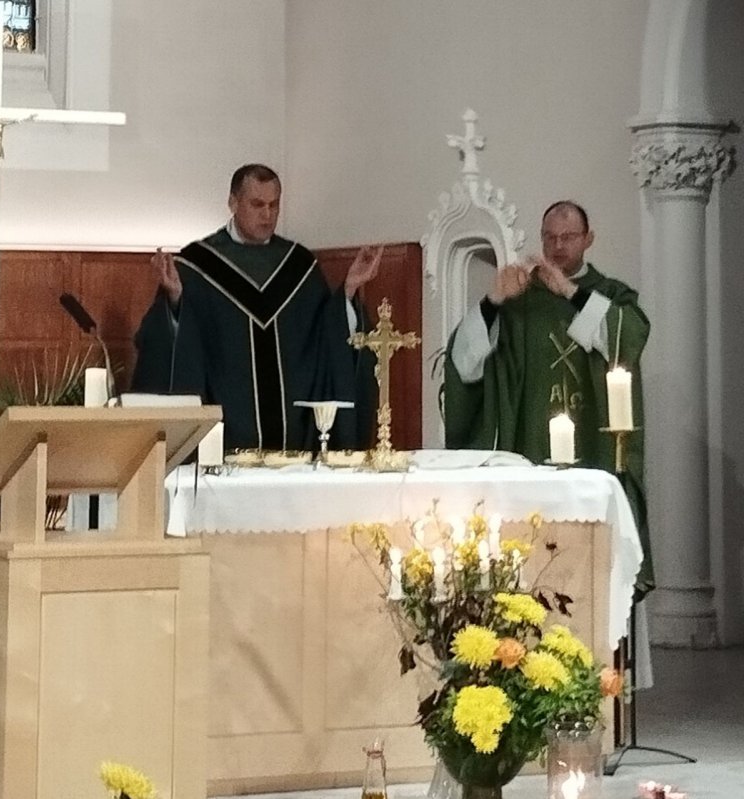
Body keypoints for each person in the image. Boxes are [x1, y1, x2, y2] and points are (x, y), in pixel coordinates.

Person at [443, 200, 653, 593]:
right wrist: (492, 303)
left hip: (596, 451)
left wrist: (571, 293)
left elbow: (628, 338)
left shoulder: (610, 294)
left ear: (588, 239)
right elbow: (463, 360)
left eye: (568, 237)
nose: (557, 247)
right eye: (549, 237)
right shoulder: (519, 301)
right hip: (529, 450)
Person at [131, 163, 381, 451]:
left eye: (274, 205)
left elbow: (324, 335)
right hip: (224, 439)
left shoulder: (299, 265)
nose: (267, 215)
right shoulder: (196, 265)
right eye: (257, 204)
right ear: (232, 202)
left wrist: (349, 289)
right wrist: (176, 300)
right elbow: (168, 347)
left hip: (293, 443)